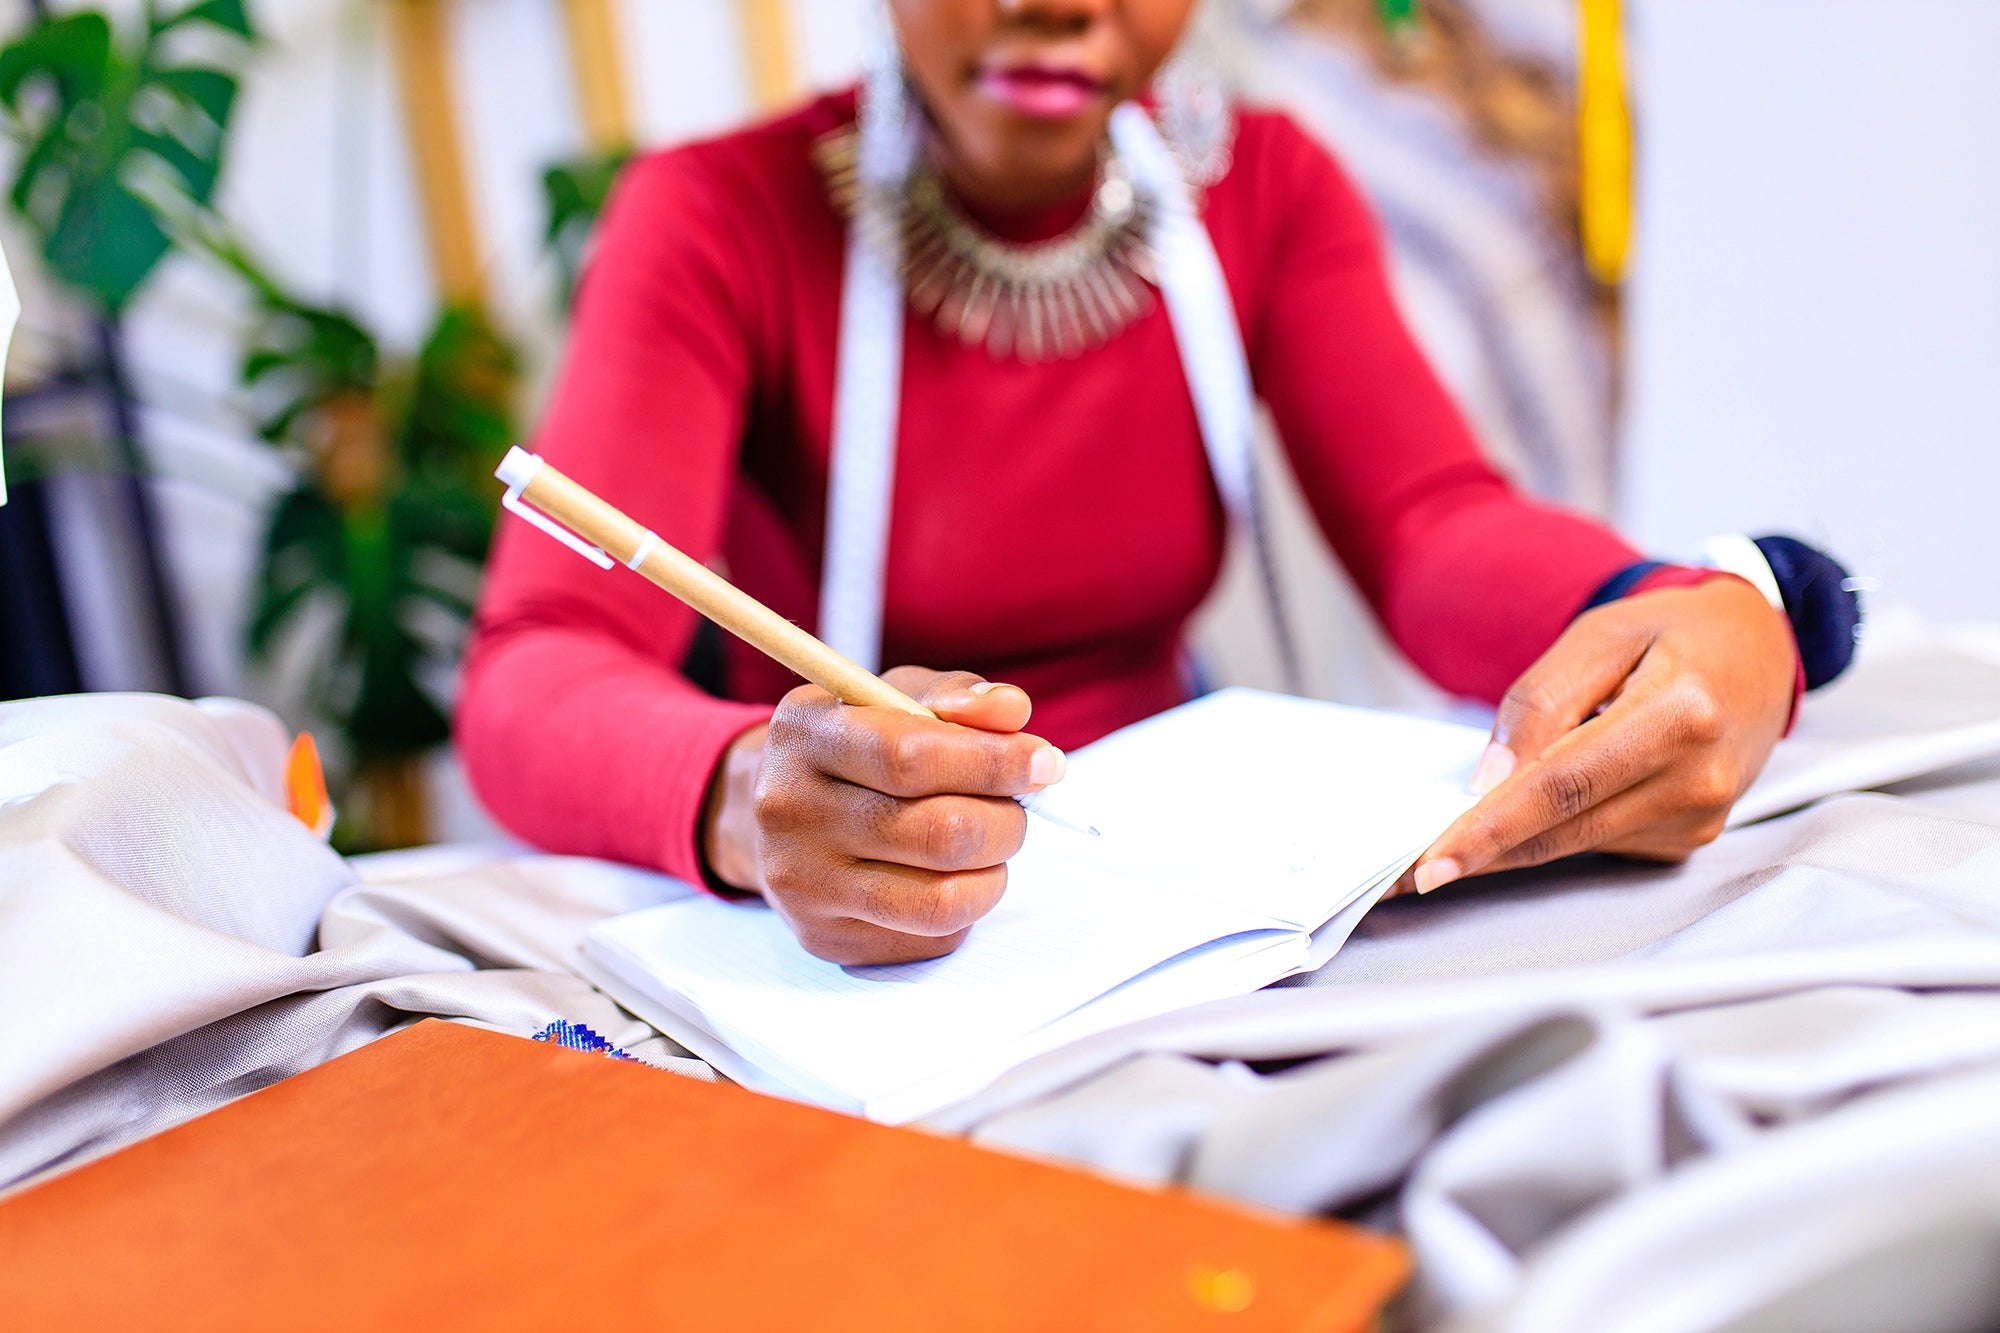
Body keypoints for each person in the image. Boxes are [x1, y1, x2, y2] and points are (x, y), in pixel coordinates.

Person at [458, 0, 1798, 966]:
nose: (1056, 5)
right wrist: (752, 798)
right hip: (851, 930)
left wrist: (1686, 608)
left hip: (1172, 897)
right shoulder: (713, 220)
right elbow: (541, 664)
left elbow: (1431, 525)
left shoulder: (1266, 189)